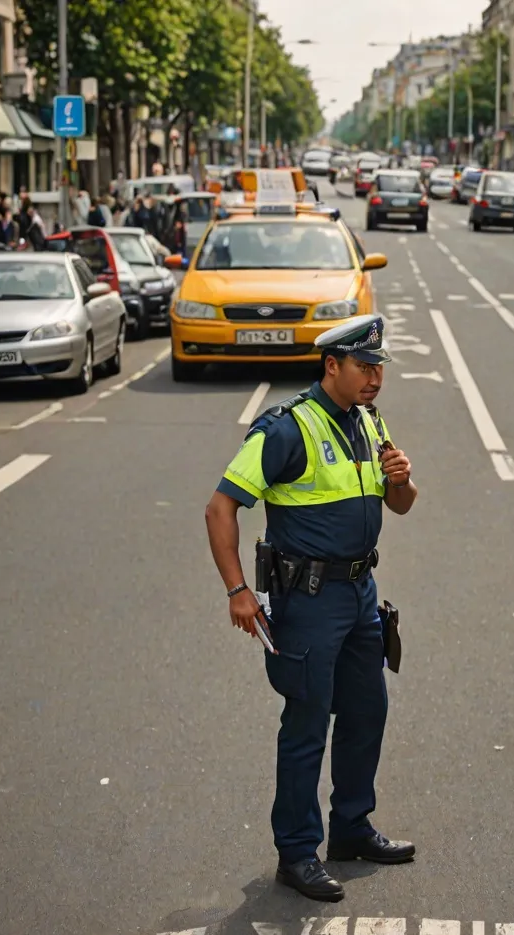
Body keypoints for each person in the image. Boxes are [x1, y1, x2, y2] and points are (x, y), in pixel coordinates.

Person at [204, 313, 417, 903]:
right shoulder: (287, 428)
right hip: (310, 599)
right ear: (331, 365)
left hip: (360, 592)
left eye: (379, 367)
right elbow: (220, 508)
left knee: (367, 711)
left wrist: (401, 480)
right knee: (306, 723)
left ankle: (351, 827)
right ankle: (297, 852)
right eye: (364, 367)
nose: (375, 378)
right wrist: (238, 590)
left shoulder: (370, 421)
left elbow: (400, 504)